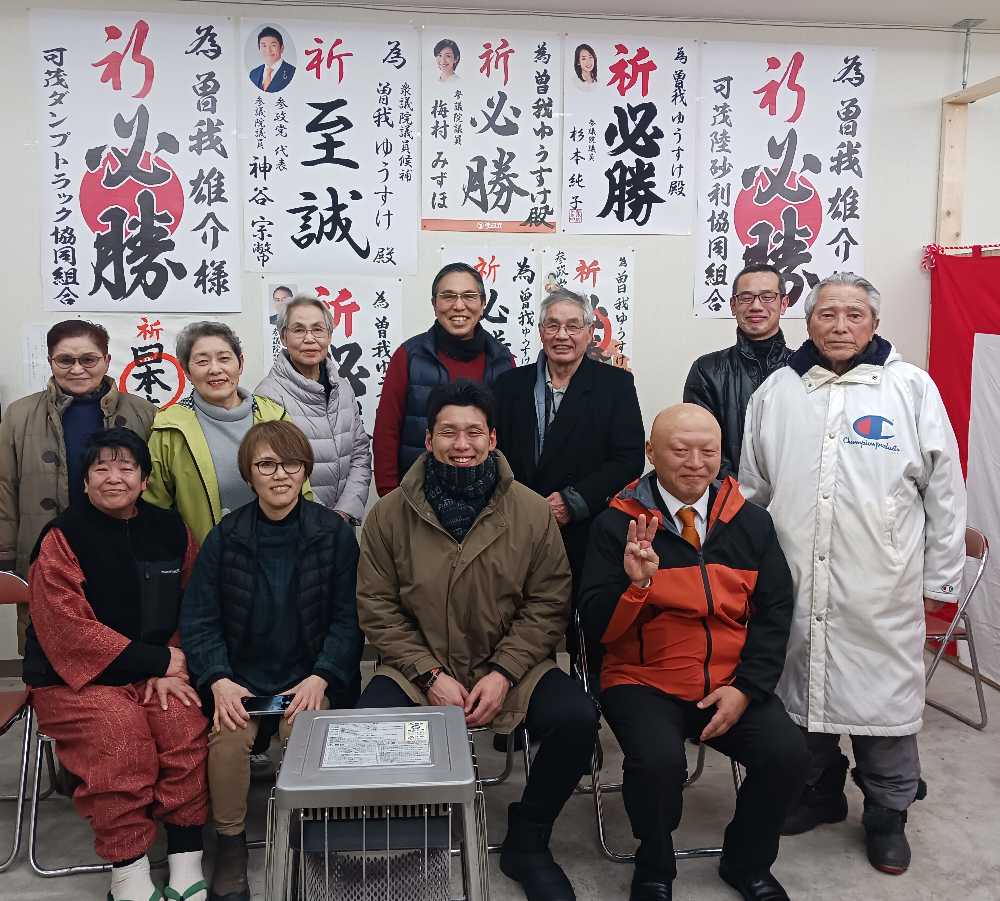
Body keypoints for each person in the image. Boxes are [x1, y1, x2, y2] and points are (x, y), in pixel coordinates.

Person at [740, 272, 967, 876]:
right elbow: (752, 489)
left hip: (880, 585)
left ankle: (888, 813)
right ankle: (819, 791)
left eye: (854, 315)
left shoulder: (910, 389)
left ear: (874, 323)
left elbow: (945, 493)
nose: (840, 326)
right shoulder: (778, 391)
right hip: (794, 579)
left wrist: (940, 581)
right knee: (799, 694)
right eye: (827, 314)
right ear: (807, 321)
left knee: (883, 707)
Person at [358, 380, 599, 901]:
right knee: (371, 724)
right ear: (429, 440)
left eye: (473, 432)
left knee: (577, 719)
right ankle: (411, 842)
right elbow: (377, 608)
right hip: (418, 666)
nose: (461, 444)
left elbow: (549, 602)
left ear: (493, 438)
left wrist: (505, 671)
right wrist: (428, 673)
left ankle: (529, 840)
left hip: (511, 666)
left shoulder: (531, 512)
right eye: (448, 432)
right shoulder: (390, 514)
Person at [579, 404, 805, 901]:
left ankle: (747, 862)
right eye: (680, 450)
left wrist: (746, 688)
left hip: (728, 680)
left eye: (709, 451)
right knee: (657, 764)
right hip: (642, 679)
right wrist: (637, 587)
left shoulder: (751, 523)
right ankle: (654, 864)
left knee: (788, 753)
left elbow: (775, 613)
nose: (696, 463)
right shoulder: (616, 524)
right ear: (650, 452)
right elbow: (597, 630)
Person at [22, 427, 208, 901]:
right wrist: (158, 660)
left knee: (183, 725)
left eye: (126, 467)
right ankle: (129, 870)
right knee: (119, 736)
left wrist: (172, 664)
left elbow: (194, 602)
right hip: (74, 680)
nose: (113, 477)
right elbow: (68, 630)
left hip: (159, 675)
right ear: (84, 481)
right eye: (100, 468)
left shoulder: (171, 529)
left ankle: (187, 860)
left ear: (145, 480)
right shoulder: (61, 538)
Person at [181, 420, 363, 901]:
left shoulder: (333, 534)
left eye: (291, 464)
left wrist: (322, 676)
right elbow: (200, 619)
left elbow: (349, 620)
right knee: (226, 742)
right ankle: (231, 844)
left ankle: (311, 838)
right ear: (249, 473)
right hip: (240, 680)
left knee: (304, 735)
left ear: (305, 471)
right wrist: (218, 679)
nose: (279, 475)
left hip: (308, 679)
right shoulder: (226, 536)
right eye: (266, 465)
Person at [494, 287, 645, 671]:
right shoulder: (509, 385)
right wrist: (522, 506)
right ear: (540, 331)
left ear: (590, 332)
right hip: (518, 527)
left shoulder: (615, 385)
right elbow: (494, 454)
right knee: (522, 624)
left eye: (573, 326)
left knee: (586, 628)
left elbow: (629, 459)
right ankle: (527, 691)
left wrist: (572, 501)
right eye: (553, 325)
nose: (562, 335)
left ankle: (585, 695)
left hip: (586, 528)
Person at [0, 319, 155, 651]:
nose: (77, 369)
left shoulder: (143, 412)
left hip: (121, 545)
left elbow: (153, 487)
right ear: (50, 361)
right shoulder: (19, 415)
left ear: (107, 360)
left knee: (123, 642)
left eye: (88, 359)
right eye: (65, 360)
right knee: (49, 645)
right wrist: (6, 556)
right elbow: (5, 489)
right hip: (45, 548)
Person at [144, 321, 310, 543]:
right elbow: (155, 509)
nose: (215, 369)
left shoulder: (274, 416)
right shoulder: (170, 427)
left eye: (224, 358)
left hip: (278, 549)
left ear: (240, 363)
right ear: (187, 371)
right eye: (202, 361)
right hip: (206, 556)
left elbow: (302, 491)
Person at [372, 262, 514, 496]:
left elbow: (510, 433)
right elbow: (387, 429)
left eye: (469, 296)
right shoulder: (409, 356)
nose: (458, 306)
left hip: (486, 495)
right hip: (419, 493)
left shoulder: (501, 359)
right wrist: (390, 494)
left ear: (483, 304)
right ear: (434, 304)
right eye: (448, 296)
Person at [256, 295, 372, 523]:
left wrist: (345, 512)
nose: (309, 338)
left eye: (318, 329)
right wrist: (322, 520)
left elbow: (360, 452)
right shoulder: (268, 396)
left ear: (329, 335)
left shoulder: (343, 388)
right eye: (299, 330)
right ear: (283, 337)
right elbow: (273, 471)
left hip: (343, 523)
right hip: (295, 524)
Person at [683, 263, 791, 479]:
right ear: (733, 305)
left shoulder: (803, 368)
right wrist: (739, 491)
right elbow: (702, 444)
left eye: (767, 297)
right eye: (746, 298)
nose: (756, 306)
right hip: (729, 494)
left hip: (793, 492)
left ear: (784, 303)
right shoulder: (707, 369)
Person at [249, 26, 295, 93]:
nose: (268, 50)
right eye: (264, 46)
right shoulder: (253, 74)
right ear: (259, 48)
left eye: (273, 45)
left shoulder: (293, 72)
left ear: (282, 48)